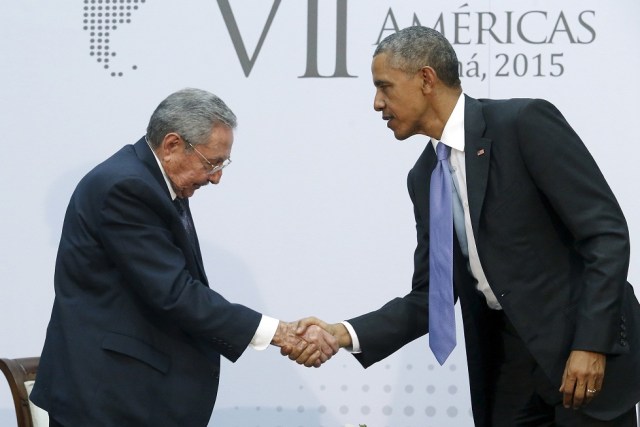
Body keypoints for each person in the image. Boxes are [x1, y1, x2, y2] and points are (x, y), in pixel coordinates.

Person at [291, 26, 640, 426]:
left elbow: (606, 235)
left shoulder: (522, 123)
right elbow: (431, 298)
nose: (376, 103)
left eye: (384, 87)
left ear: (426, 78)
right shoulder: (424, 176)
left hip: (578, 359)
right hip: (506, 369)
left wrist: (592, 344)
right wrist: (342, 334)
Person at [30, 88, 338, 427]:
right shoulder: (126, 188)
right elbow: (175, 293)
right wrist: (278, 333)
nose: (217, 177)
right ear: (173, 145)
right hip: (108, 401)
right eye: (212, 163)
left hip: (129, 395)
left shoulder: (152, 180)